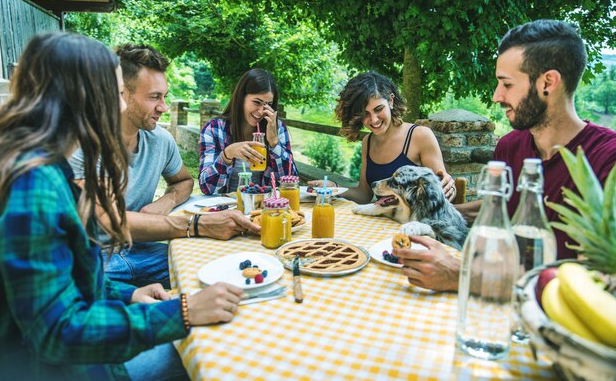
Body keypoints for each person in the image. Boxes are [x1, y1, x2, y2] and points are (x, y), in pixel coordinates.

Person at [0, 32, 244, 380]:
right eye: (114, 94)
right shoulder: (33, 187)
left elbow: (67, 281)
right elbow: (56, 332)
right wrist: (183, 312)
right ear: (85, 99)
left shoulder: (37, 167)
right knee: (208, 354)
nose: (122, 106)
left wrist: (129, 293)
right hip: (57, 370)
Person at [394, 19, 616, 291]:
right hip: (492, 305)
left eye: (507, 84)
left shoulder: (608, 159)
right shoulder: (509, 147)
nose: (497, 96)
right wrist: (422, 212)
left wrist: (462, 276)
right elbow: (493, 211)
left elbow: (601, 284)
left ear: (548, 82)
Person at [70, 44, 259, 289]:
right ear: (120, 93)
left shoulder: (160, 140)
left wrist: (166, 202)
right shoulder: (80, 144)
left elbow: (183, 181)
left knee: (227, 267)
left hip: (143, 250)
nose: (163, 107)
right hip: (91, 260)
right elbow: (109, 220)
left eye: (164, 96)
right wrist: (197, 225)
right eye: (154, 97)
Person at [308, 71, 455, 203]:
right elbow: (364, 194)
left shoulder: (420, 136)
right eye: (365, 114)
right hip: (382, 226)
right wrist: (335, 188)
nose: (374, 120)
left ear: (390, 101)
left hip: (415, 226)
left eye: (378, 109)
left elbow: (444, 191)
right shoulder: (368, 142)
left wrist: (449, 188)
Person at [199, 68, 297, 195]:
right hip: (226, 209)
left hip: (265, 209)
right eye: (257, 102)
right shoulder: (214, 129)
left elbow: (290, 183)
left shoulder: (277, 129)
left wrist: (274, 143)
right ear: (241, 98)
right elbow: (207, 188)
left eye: (267, 104)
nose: (261, 111)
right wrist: (227, 155)